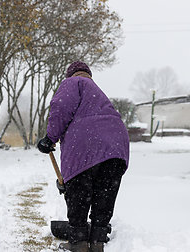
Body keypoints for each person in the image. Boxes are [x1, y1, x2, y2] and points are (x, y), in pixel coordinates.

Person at [37, 61, 129, 252]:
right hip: (117, 146)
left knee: (79, 191)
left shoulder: (73, 83)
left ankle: (78, 243)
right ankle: (97, 242)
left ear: (71, 74)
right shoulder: (98, 93)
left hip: (87, 143)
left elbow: (60, 107)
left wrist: (50, 138)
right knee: (104, 194)